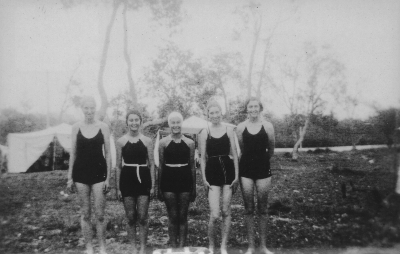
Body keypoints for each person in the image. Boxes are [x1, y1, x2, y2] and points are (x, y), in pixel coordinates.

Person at [67, 96, 111, 254]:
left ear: (96, 108)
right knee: (85, 213)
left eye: (92, 107)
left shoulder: (103, 127)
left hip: (99, 173)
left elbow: (108, 153)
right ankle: (89, 248)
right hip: (80, 173)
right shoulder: (75, 127)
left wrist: (108, 177)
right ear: (82, 109)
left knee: (99, 214)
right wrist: (70, 177)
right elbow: (73, 152)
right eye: (86, 108)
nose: (90, 111)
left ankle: (103, 248)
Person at [236, 97, 275, 254]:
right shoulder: (240, 127)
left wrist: (262, 160)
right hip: (246, 170)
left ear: (260, 108)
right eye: (250, 107)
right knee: (249, 209)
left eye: (255, 106)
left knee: (263, 209)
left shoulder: (268, 126)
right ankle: (251, 246)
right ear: (246, 109)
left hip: (263, 170)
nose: (253, 109)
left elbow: (271, 149)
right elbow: (242, 148)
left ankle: (263, 246)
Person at [199, 100, 239, 254]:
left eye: (217, 112)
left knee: (226, 211)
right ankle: (211, 245)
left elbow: (235, 155)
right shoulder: (204, 132)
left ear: (221, 113)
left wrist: (236, 176)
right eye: (211, 113)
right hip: (212, 171)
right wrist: (204, 178)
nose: (215, 115)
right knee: (215, 213)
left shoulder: (229, 130)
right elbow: (202, 158)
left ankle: (223, 246)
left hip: (228, 171)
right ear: (208, 115)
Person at [115, 110, 155, 254]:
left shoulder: (147, 141)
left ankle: (143, 248)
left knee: (143, 217)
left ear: (140, 121)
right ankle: (133, 248)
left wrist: (152, 186)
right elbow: (118, 166)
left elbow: (151, 164)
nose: (134, 123)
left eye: (136, 120)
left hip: (143, 178)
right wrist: (118, 188)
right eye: (131, 120)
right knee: (131, 217)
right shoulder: (120, 141)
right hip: (127, 178)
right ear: (127, 122)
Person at [157, 112, 196, 248]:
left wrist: (194, 188)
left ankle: (182, 247)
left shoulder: (190, 142)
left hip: (185, 179)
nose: (175, 125)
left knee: (183, 215)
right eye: (173, 123)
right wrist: (159, 187)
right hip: (168, 180)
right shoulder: (163, 142)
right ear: (169, 124)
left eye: (178, 122)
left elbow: (192, 166)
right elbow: (161, 166)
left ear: (181, 123)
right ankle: (174, 247)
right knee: (173, 216)